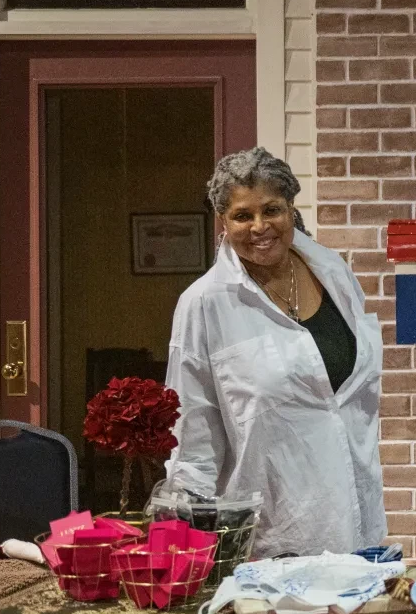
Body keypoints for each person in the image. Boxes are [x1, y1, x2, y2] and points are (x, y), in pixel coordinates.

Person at [162, 147, 385, 557]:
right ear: (223, 223)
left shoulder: (334, 271)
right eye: (242, 216)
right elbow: (192, 427)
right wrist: (185, 529)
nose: (260, 227)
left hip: (358, 514)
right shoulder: (205, 303)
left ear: (290, 209)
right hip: (275, 528)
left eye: (272, 210)